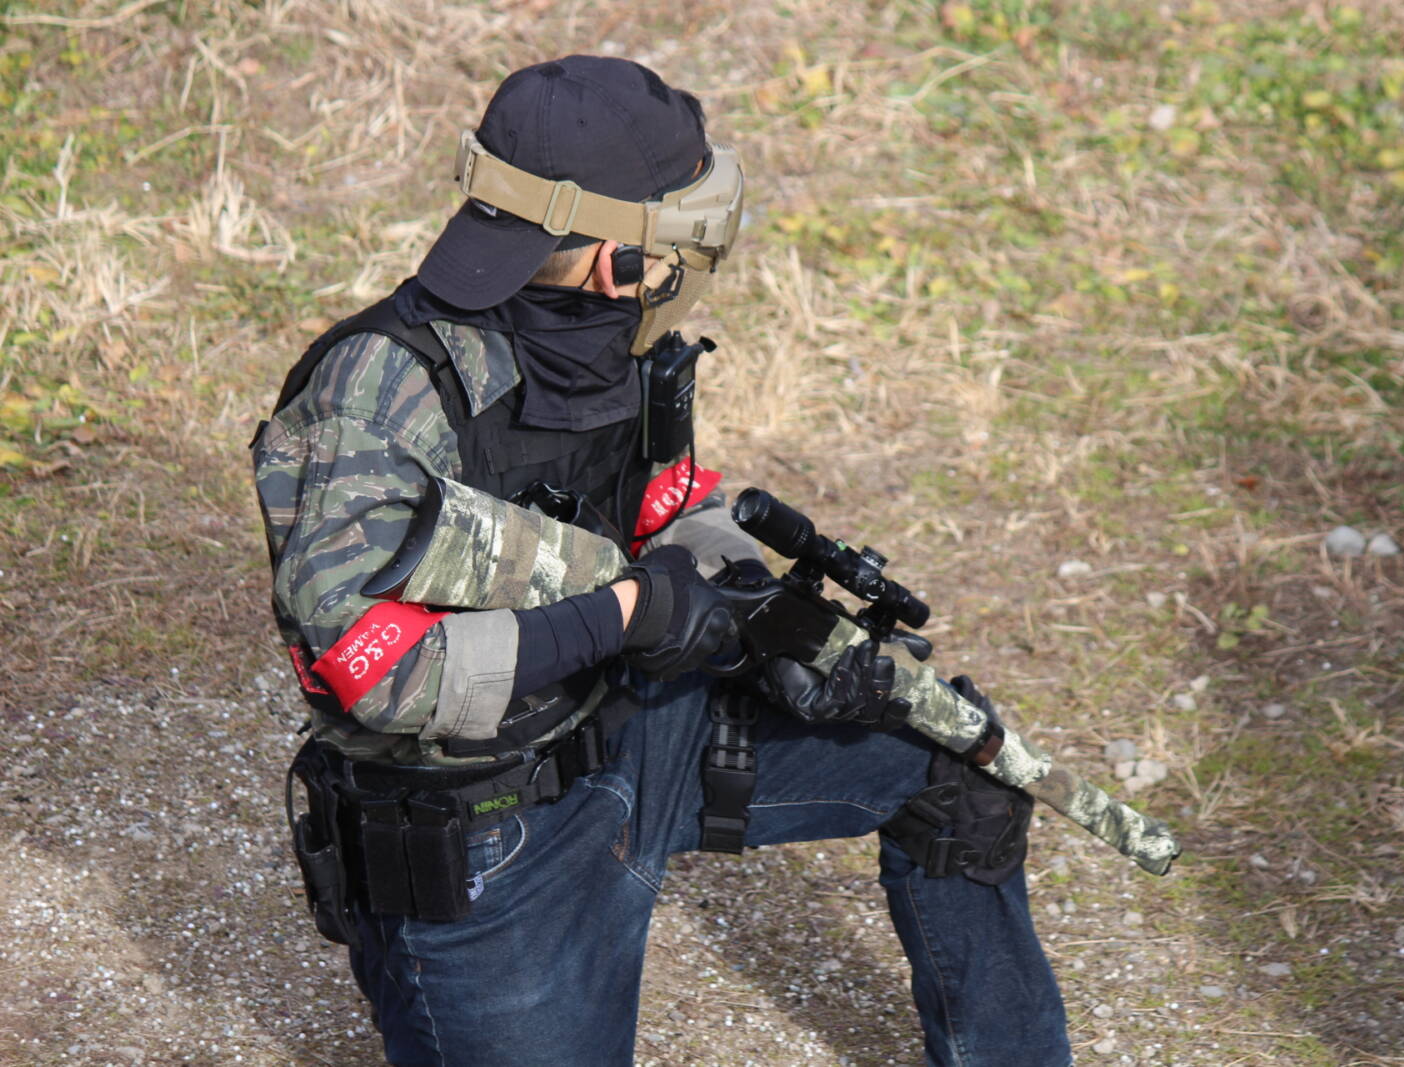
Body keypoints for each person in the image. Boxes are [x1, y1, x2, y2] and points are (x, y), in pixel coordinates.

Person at [252, 54, 1070, 1066]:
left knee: (956, 755)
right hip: (485, 839)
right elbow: (368, 668)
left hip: (635, 724)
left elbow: (666, 505)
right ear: (619, 259)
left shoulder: (610, 344)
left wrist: (768, 621)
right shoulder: (378, 395)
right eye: (681, 240)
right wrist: (631, 615)